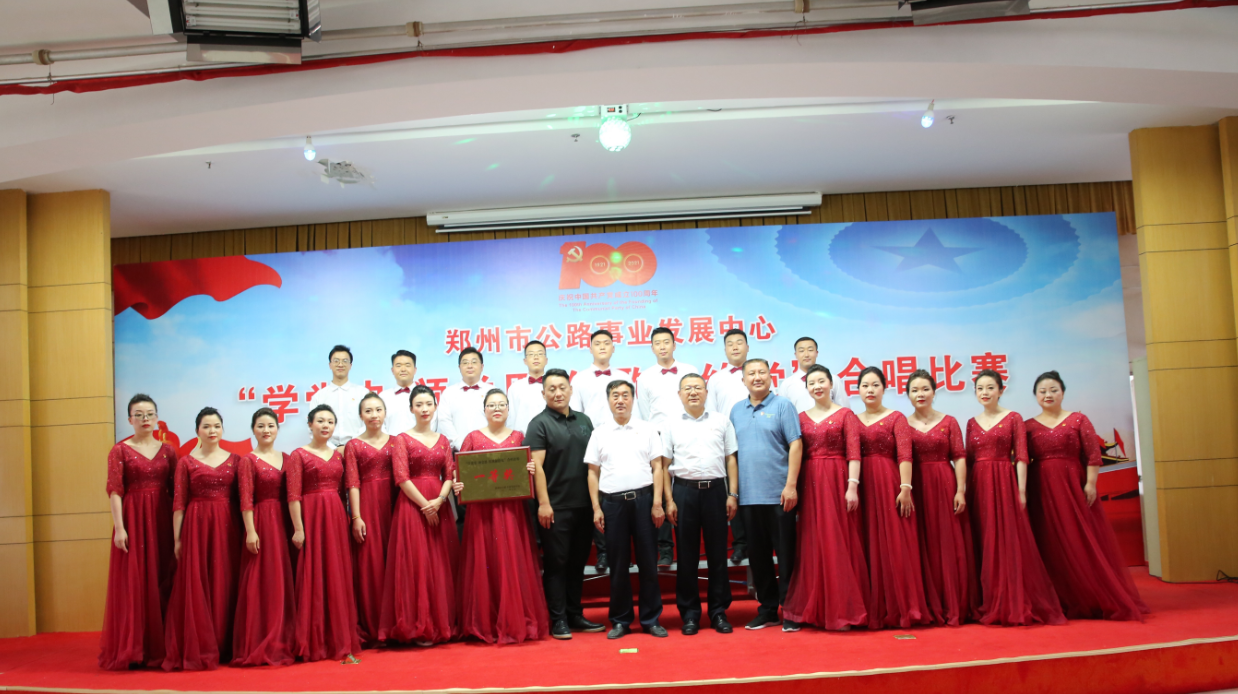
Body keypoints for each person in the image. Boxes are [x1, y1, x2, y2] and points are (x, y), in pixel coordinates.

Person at [1026, 371, 1148, 621]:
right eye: (1042, 391)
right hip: (1040, 489)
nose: (1048, 395)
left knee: (1079, 538)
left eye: (1053, 390)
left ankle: (1091, 595)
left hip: (1073, 485)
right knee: (1048, 541)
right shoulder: (1027, 426)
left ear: (1062, 393)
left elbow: (1093, 454)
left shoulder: (1078, 420)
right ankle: (1059, 598)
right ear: (1035, 396)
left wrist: (1090, 483)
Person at [965, 370, 1065, 627]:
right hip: (978, 484)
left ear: (1001, 390)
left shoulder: (1013, 418)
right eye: (980, 388)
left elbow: (1021, 456)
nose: (985, 392)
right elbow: (969, 460)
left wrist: (1020, 489)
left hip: (1004, 482)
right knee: (984, 539)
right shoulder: (972, 423)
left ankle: (1011, 599)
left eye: (990, 387)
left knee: (1006, 540)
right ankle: (988, 598)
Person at [451, 389, 549, 644]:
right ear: (484, 410)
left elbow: (527, 470)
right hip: (481, 513)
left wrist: (529, 468)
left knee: (511, 560)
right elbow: (458, 470)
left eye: (502, 404)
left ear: (508, 409)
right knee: (485, 560)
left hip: (512, 511)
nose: (497, 409)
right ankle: (483, 622)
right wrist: (458, 483)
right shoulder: (472, 437)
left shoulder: (519, 437)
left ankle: (515, 619)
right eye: (492, 405)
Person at [781, 366, 869, 631]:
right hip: (810, 482)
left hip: (838, 479)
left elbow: (854, 453)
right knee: (814, 540)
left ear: (831, 384)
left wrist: (852, 486)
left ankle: (844, 608)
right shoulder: (800, 417)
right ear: (807, 388)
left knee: (839, 539)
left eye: (822, 381)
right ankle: (818, 607)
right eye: (812, 383)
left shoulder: (845, 415)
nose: (817, 386)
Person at [526, 368, 606, 640]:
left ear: (571, 390)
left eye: (562, 387)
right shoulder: (539, 424)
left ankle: (574, 614)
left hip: (584, 505)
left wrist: (596, 504)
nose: (558, 393)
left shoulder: (584, 420)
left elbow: (594, 463)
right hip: (555, 508)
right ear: (543, 394)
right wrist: (543, 503)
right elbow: (536, 466)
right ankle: (557, 619)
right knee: (557, 563)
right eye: (552, 389)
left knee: (577, 563)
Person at [99, 394, 177, 670]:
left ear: (157, 418)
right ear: (129, 419)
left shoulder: (168, 452)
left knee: (162, 576)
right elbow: (115, 490)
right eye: (139, 414)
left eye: (150, 414)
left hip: (162, 520)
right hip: (132, 519)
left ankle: (163, 645)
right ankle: (136, 648)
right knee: (135, 580)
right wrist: (119, 528)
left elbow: (175, 492)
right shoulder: (120, 451)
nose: (145, 419)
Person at [586, 380, 668, 639]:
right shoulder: (599, 433)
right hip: (612, 504)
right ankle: (620, 620)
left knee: (648, 563)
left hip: (644, 502)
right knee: (618, 565)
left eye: (625, 395)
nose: (620, 400)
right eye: (615, 395)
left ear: (633, 399)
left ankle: (651, 619)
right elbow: (592, 472)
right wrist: (596, 507)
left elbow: (658, 467)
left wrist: (657, 503)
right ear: (608, 400)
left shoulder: (647, 429)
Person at [380, 385, 460, 646]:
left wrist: (440, 500)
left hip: (440, 504)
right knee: (417, 564)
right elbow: (401, 478)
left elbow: (449, 475)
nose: (424, 409)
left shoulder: (443, 440)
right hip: (412, 507)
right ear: (411, 408)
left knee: (440, 562)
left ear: (435, 406)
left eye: (429, 404)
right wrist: (426, 505)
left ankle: (441, 623)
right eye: (419, 405)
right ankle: (418, 624)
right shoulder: (402, 439)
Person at [163, 407, 241, 671]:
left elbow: (242, 500)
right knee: (199, 582)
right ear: (197, 430)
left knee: (225, 579)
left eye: (216, 426)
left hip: (228, 525)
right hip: (196, 526)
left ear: (223, 429)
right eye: (206, 426)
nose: (212, 431)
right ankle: (203, 644)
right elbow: (179, 503)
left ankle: (226, 643)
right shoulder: (186, 462)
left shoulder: (235, 460)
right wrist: (177, 538)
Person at [855, 367, 932, 630]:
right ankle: (870, 606)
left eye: (875, 385)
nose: (870, 390)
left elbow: (905, 454)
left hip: (889, 484)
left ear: (884, 388)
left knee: (895, 543)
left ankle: (902, 607)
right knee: (867, 542)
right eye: (865, 385)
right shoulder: (852, 419)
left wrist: (905, 487)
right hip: (862, 486)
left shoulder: (896, 418)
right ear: (857, 390)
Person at [662, 373, 738, 635]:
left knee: (718, 555)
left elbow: (731, 459)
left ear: (706, 392)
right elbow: (664, 465)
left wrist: (732, 494)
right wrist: (669, 501)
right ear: (679, 394)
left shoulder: (721, 421)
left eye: (698, 388)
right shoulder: (670, 424)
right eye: (687, 388)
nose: (693, 392)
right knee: (687, 557)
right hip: (684, 492)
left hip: (716, 491)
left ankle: (718, 612)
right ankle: (690, 614)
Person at [730, 358, 802, 631]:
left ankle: (792, 610)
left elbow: (796, 445)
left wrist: (791, 485)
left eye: (762, 372)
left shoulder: (783, 405)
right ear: (743, 380)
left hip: (779, 495)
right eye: (751, 373)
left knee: (787, 557)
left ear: (771, 376)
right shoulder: (736, 410)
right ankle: (768, 610)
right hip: (749, 497)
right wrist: (734, 493)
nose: (757, 377)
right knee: (759, 558)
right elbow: (732, 454)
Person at [287, 405, 362, 662]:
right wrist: (298, 528)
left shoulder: (339, 456)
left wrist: (352, 518)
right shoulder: (298, 455)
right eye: (320, 421)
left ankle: (338, 636)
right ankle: (315, 639)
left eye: (330, 421)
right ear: (310, 424)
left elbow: (346, 491)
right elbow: (293, 495)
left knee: (336, 572)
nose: (325, 425)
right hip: (311, 516)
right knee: (314, 572)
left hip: (336, 517)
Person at [906, 370, 979, 627]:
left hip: (944, 484)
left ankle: (954, 602)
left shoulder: (949, 422)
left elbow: (959, 456)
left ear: (934, 392)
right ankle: (927, 603)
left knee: (949, 542)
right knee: (920, 543)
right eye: (915, 390)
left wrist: (960, 490)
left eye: (925, 389)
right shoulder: (903, 424)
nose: (920, 394)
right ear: (907, 395)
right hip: (915, 487)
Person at [232, 408, 296, 666]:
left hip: (284, 522)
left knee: (283, 578)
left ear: (278, 429)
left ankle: (284, 636)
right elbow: (245, 499)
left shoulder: (287, 458)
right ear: (253, 430)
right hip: (261, 522)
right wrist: (250, 530)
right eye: (260, 426)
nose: (266, 430)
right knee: (262, 579)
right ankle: (260, 637)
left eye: (270, 425)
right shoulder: (247, 461)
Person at [569, 330, 633, 574]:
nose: (603, 347)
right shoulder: (580, 379)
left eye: (607, 343)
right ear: (590, 348)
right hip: (594, 442)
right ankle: (604, 552)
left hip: (623, 440)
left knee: (624, 494)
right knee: (598, 496)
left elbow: (633, 410)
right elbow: (576, 415)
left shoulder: (624, 377)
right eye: (598, 343)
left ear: (614, 348)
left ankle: (625, 552)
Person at [638, 326, 696, 568]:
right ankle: (665, 548)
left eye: (666, 342)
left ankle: (688, 546)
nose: (662, 346)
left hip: (687, 434)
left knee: (686, 487)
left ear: (674, 344)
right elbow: (644, 412)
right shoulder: (644, 377)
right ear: (652, 348)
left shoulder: (690, 370)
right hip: (660, 437)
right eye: (657, 343)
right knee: (660, 490)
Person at [345, 392, 398, 645]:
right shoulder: (353, 446)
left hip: (396, 505)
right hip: (367, 506)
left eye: (378, 410)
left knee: (396, 563)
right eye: (368, 411)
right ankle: (376, 626)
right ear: (360, 415)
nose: (374, 415)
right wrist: (356, 516)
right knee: (371, 564)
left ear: (385, 412)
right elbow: (352, 483)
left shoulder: (397, 442)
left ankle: (399, 624)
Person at [707, 328, 753, 565]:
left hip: (755, 441)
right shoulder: (716, 379)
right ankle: (741, 544)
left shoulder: (757, 372)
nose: (735, 347)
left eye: (739, 342)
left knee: (754, 492)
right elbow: (712, 413)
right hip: (727, 444)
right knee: (733, 493)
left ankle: (758, 541)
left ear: (747, 347)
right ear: (725, 350)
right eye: (730, 344)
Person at [437, 347, 497, 450]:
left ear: (482, 367)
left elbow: (499, 420)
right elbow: (444, 421)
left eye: (474, 362)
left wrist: (490, 444)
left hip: (490, 450)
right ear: (459, 367)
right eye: (465, 363)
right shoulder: (449, 393)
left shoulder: (493, 392)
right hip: (458, 451)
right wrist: (462, 446)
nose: (470, 366)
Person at [309, 345, 368, 447]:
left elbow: (368, 423)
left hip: (358, 448)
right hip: (327, 451)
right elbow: (312, 427)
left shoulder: (362, 393)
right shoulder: (319, 396)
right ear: (330, 365)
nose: (340, 364)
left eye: (345, 361)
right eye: (336, 361)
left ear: (350, 365)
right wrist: (332, 448)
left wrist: (352, 446)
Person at [777, 337, 847, 414]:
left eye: (810, 350)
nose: (806, 355)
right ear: (796, 355)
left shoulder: (832, 379)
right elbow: (782, 414)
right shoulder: (787, 384)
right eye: (801, 351)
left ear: (816, 353)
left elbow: (844, 410)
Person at [506, 340, 549, 435]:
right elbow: (511, 419)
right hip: (523, 439)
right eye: (531, 354)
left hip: (552, 438)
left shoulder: (554, 385)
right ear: (525, 361)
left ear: (546, 360)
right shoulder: (515, 388)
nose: (536, 357)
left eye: (540, 354)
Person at [380, 350, 425, 437]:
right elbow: (379, 425)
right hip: (390, 444)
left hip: (420, 444)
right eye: (398, 365)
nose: (403, 369)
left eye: (407, 365)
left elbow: (431, 423)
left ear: (415, 370)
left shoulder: (425, 395)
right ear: (392, 370)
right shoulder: (383, 397)